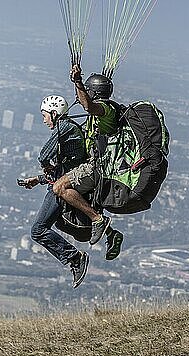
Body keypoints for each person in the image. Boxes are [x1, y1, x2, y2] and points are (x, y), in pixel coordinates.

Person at [52, 64, 124, 260]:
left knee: (60, 188)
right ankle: (112, 234)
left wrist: (77, 82)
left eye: (87, 91)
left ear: (93, 92)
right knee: (70, 198)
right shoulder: (95, 116)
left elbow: (88, 106)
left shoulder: (106, 110)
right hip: (92, 166)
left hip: (96, 168)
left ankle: (98, 220)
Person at [19, 95, 89, 288]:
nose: (44, 120)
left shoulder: (63, 127)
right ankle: (74, 258)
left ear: (53, 113)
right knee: (41, 229)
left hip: (61, 189)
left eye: (44, 115)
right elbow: (64, 166)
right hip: (62, 182)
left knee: (38, 230)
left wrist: (44, 164)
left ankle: (75, 258)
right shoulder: (69, 127)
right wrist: (38, 179)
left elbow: (44, 155)